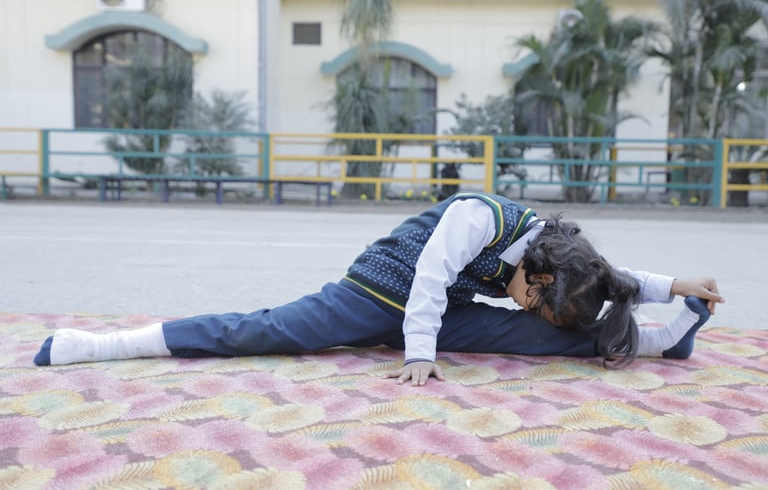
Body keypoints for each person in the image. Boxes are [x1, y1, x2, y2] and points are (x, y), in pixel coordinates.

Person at [34, 193, 724, 386]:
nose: (531, 303)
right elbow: (428, 277)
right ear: (538, 273)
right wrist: (420, 353)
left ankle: (661, 343)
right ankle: (101, 344)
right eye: (536, 296)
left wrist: (673, 288)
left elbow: (601, 279)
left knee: (537, 336)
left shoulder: (558, 257)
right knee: (262, 330)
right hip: (374, 295)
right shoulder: (480, 216)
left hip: (441, 313)